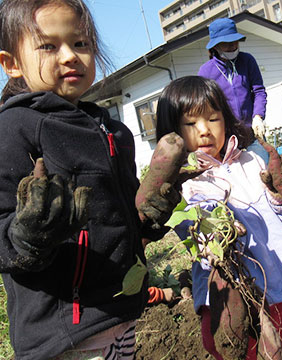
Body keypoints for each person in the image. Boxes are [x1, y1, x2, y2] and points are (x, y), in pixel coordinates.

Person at [0, 0, 169, 358]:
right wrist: (25, 236)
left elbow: (118, 219)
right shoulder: (12, 130)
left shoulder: (114, 132)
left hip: (120, 317)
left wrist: (147, 217)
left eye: (80, 43)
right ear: (11, 64)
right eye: (48, 45)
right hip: (65, 335)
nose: (70, 56)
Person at [155, 75, 282, 359]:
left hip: (273, 285)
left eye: (213, 119)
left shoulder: (252, 162)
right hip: (229, 299)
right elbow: (196, 243)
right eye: (191, 124)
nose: (204, 131)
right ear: (173, 133)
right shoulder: (181, 186)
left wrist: (281, 195)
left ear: (226, 119)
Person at [198, 17, 267, 138]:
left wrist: (258, 116)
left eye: (235, 41)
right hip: (224, 135)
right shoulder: (206, 71)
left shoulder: (247, 60)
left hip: (252, 131)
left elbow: (259, 91)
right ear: (215, 46)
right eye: (226, 44)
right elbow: (204, 106)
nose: (233, 46)